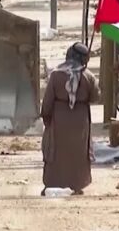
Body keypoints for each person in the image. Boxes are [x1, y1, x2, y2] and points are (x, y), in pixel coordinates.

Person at [40, 42, 100, 196]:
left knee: (55, 151)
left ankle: (52, 183)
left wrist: (46, 117)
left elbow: (47, 101)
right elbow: (95, 97)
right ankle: (76, 185)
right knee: (78, 153)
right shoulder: (88, 76)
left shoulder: (56, 75)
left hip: (59, 119)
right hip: (80, 121)